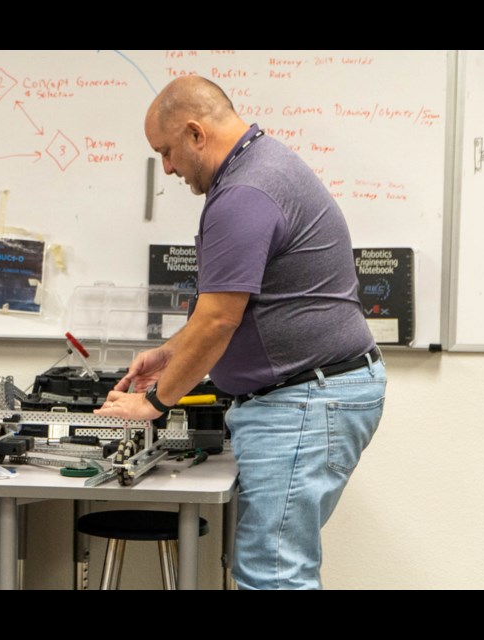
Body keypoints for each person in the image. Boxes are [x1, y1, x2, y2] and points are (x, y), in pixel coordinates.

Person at [95, 76, 387, 589]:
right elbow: (228, 308)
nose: (166, 168)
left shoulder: (245, 192)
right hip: (311, 394)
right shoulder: (260, 167)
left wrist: (154, 404)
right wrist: (169, 354)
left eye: (166, 152)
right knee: (273, 569)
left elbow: (218, 320)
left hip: (304, 399)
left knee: (274, 576)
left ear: (194, 133)